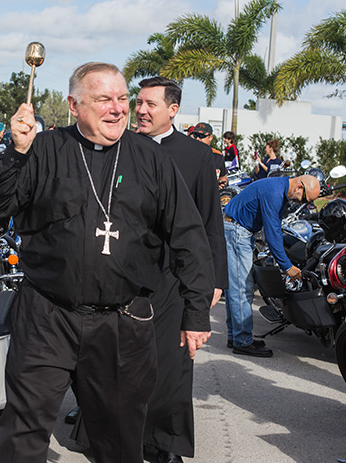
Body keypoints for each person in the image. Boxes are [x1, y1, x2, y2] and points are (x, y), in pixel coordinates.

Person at [0, 62, 214, 463]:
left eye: (122, 98)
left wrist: (196, 311)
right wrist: (16, 152)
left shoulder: (150, 159)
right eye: (103, 99)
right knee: (22, 434)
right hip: (47, 315)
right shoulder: (43, 148)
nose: (118, 108)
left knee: (119, 440)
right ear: (74, 105)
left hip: (122, 323)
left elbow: (188, 234)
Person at [134, 76, 226, 463]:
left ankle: (166, 442)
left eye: (150, 104)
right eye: (138, 102)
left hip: (174, 276)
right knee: (119, 361)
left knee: (172, 365)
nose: (140, 110)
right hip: (125, 276)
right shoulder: (120, 147)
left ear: (173, 110)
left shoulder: (197, 156)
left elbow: (210, 220)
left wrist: (215, 279)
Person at [223, 175, 320, 357]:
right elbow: (272, 231)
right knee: (242, 288)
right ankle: (242, 342)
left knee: (235, 287)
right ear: (300, 186)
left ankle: (235, 336)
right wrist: (287, 266)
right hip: (237, 231)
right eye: (304, 198)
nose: (301, 202)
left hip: (237, 229)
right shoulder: (274, 193)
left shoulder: (280, 188)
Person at [192, 122, 227, 189]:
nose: (198, 139)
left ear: (210, 137)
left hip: (209, 195)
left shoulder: (217, 156)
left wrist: (222, 184)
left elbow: (222, 177)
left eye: (202, 136)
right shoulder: (188, 153)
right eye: (196, 135)